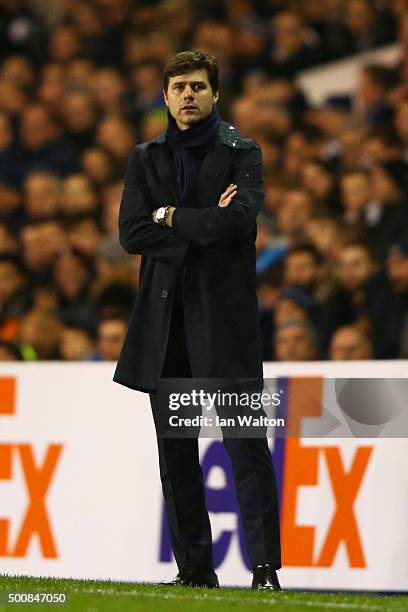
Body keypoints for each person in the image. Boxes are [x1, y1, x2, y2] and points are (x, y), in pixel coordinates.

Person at [113, 51, 281, 591]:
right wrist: (200, 222)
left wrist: (170, 216)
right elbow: (132, 234)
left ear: (215, 95)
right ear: (164, 97)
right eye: (178, 87)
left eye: (198, 87)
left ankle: (264, 571)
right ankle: (194, 571)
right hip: (167, 330)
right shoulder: (146, 157)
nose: (188, 95)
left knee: (245, 449)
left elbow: (235, 224)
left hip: (225, 327)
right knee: (176, 455)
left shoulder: (243, 151)